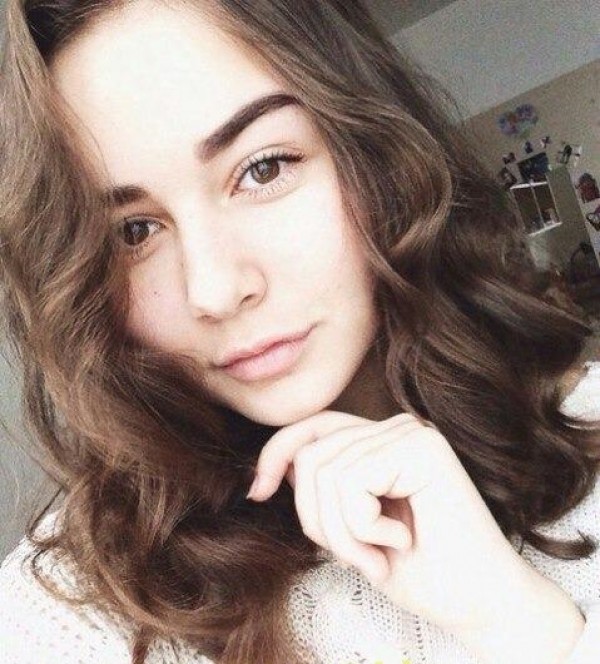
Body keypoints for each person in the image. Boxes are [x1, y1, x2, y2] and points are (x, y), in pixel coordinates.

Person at [0, 1, 599, 663]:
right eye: (132, 232)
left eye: (263, 169)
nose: (215, 291)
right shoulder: (64, 613)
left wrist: (514, 618)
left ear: (378, 156)